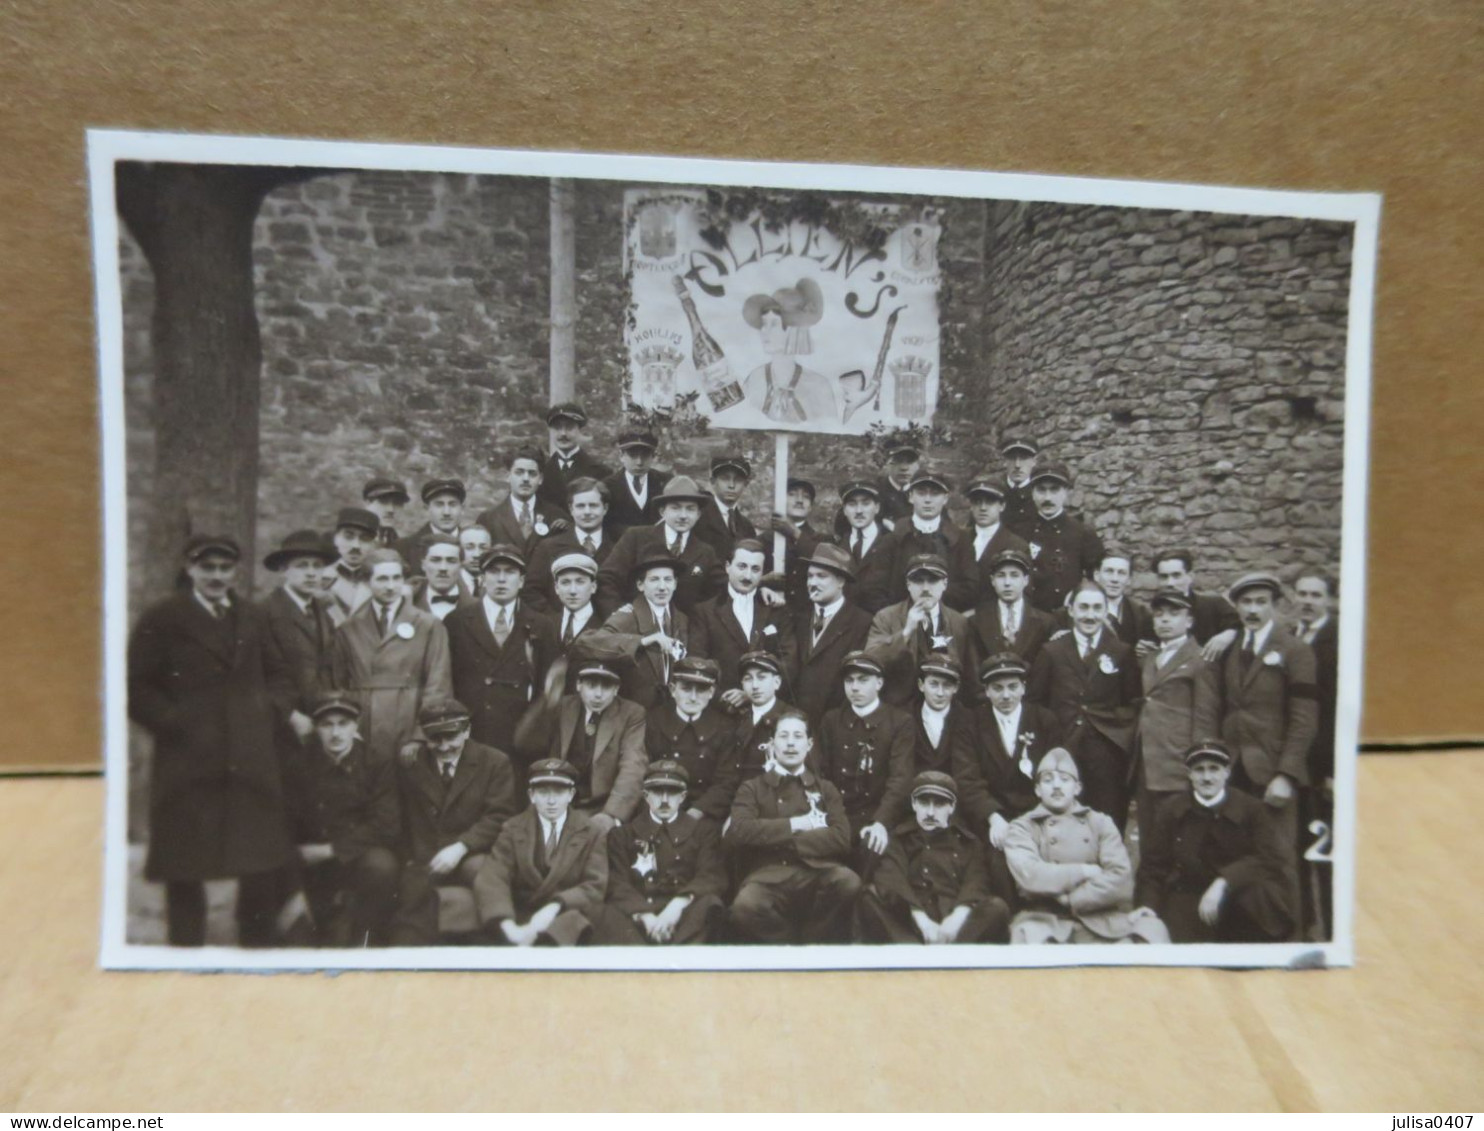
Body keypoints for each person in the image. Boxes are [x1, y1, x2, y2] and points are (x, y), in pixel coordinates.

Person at [127, 535, 294, 946]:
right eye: (208, 568)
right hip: (189, 763)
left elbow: (280, 676)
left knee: (259, 862)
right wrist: (177, 723)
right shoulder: (163, 617)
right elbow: (137, 688)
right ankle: (187, 956)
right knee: (185, 867)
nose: (217, 577)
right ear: (190, 568)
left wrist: (265, 714)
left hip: (250, 763)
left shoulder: (252, 616)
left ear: (236, 570)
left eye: (224, 569)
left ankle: (258, 953)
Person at [1219, 571, 1318, 925]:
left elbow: (1304, 719)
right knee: (1239, 855)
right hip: (1234, 770)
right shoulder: (1231, 648)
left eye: (1261, 602)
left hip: (1272, 773)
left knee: (1278, 857)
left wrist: (1286, 774)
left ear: (1275, 606)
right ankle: (1247, 933)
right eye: (1246, 602)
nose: (1253, 609)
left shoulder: (1294, 650)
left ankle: (1287, 938)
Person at [1002, 749, 1169, 944]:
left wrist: (1074, 900)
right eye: (1048, 780)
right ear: (1038, 789)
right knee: (1029, 941)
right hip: (1045, 920)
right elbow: (1031, 876)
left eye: (1064, 779)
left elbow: (1121, 877)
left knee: (1152, 930)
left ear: (1077, 788)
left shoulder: (1100, 823)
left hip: (1101, 918)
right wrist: (1084, 871)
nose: (1056, 786)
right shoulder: (1022, 827)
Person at [1136, 740, 1296, 943]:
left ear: (1227, 772)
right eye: (1199, 770)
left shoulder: (1252, 809)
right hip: (1189, 895)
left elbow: (1269, 859)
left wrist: (1224, 881)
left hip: (1240, 896)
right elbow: (1153, 866)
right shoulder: (1171, 810)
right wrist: (1147, 905)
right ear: (1189, 774)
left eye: (1214, 769)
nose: (1207, 778)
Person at [390, 699, 519, 945]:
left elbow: (500, 816)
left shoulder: (494, 762)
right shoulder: (413, 764)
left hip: (472, 852)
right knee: (409, 920)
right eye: (435, 738)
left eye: (451, 736)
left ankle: (504, 941)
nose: (444, 746)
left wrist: (461, 847)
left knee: (485, 875)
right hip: (425, 857)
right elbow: (403, 818)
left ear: (467, 731)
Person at [725, 711, 860, 943]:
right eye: (783, 736)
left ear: (809, 744)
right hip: (769, 874)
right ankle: (787, 944)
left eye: (797, 736)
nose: (790, 743)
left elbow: (840, 838)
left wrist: (777, 838)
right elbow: (739, 830)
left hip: (816, 870)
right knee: (744, 908)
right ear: (772, 743)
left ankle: (813, 940)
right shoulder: (752, 788)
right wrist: (796, 825)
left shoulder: (825, 789)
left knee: (848, 882)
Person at [1026, 579, 1141, 831]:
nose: (1090, 615)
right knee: (1062, 820)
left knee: (1107, 820)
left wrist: (1115, 731)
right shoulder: (1052, 651)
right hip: (1062, 748)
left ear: (1104, 611)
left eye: (1097, 608)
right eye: (1084, 608)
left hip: (1107, 754)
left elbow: (1133, 701)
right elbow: (1034, 702)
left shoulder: (1120, 651)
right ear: (1072, 610)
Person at [289, 693, 403, 947]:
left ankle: (366, 938)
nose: (336, 733)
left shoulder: (376, 762)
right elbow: (288, 818)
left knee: (382, 866)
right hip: (311, 857)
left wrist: (332, 850)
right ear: (316, 728)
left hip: (355, 854)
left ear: (356, 725)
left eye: (343, 724)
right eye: (327, 725)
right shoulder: (300, 764)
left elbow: (386, 824)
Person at [328, 548, 453, 766]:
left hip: (408, 724)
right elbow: (338, 684)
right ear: (367, 582)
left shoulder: (428, 625)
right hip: (363, 726)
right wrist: (350, 731)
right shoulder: (349, 628)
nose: (390, 586)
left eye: (397, 578)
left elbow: (438, 685)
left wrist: (419, 735)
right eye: (382, 579)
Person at [857, 771, 1010, 944]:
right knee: (868, 897)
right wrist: (922, 921)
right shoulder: (899, 840)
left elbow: (976, 883)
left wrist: (957, 918)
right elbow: (892, 880)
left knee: (997, 908)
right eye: (923, 803)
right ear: (914, 804)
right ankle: (919, 954)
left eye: (939, 804)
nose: (930, 812)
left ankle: (944, 955)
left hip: (957, 930)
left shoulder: (968, 843)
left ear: (951, 807)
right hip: (912, 926)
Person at [442, 543, 560, 762]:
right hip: (472, 732)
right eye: (494, 572)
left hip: (520, 737)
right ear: (482, 579)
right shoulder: (456, 622)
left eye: (510, 572)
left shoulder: (541, 625)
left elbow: (548, 688)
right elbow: (447, 681)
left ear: (522, 581)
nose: (502, 579)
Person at [591, 761, 728, 946]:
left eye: (671, 792)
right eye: (657, 792)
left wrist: (677, 906)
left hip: (684, 918)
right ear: (646, 796)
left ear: (683, 796)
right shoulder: (622, 835)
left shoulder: (703, 833)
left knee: (711, 904)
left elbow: (710, 876)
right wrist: (646, 917)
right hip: (638, 921)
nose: (664, 800)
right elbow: (617, 883)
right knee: (604, 913)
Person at [474, 759, 609, 946]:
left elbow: (595, 885)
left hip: (566, 916)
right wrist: (508, 926)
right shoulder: (513, 828)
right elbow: (493, 877)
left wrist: (555, 906)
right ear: (531, 795)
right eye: (543, 792)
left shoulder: (592, 831)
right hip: (521, 916)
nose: (551, 801)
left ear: (571, 794)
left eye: (559, 792)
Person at [259, 529, 340, 831]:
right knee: (282, 808)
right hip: (282, 726)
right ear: (284, 570)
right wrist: (290, 715)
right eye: (302, 565)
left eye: (317, 566)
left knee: (314, 804)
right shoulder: (266, 613)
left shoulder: (321, 610)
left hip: (318, 722)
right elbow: (257, 675)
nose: (311, 573)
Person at [813, 651, 915, 869]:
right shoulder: (831, 720)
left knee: (875, 854)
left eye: (863, 680)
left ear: (879, 683)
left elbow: (900, 780)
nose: (855, 687)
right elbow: (819, 772)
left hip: (876, 815)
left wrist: (881, 822)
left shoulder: (899, 722)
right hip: (836, 815)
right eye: (849, 681)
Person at [1135, 590, 1220, 839]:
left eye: (1174, 614)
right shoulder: (1149, 657)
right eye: (1159, 615)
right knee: (1150, 839)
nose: (1165, 620)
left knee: (1181, 837)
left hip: (1178, 763)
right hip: (1147, 763)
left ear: (1189, 621)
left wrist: (1199, 764)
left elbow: (1206, 717)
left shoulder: (1201, 660)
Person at [535, 655, 648, 831]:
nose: (598, 694)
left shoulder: (631, 714)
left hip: (602, 806)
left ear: (616, 689)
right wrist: (547, 701)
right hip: (559, 802)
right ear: (579, 685)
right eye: (591, 685)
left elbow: (633, 766)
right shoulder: (563, 706)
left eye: (606, 686)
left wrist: (611, 815)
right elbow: (524, 744)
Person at [599, 474, 724, 615]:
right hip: (636, 628)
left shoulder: (706, 552)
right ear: (662, 511)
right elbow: (607, 578)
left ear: (698, 514)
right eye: (675, 508)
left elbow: (720, 592)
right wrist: (617, 611)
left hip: (684, 631)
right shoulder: (636, 538)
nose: (683, 515)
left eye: (690, 509)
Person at [1292, 570, 1339, 940]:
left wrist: (1334, 772)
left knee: (1325, 851)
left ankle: (1333, 930)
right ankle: (1305, 923)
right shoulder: (1291, 637)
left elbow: (1340, 711)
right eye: (1302, 593)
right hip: (1295, 766)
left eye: (1315, 595)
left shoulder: (1337, 640)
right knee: (1295, 846)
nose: (1307, 601)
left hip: (1323, 767)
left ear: (1328, 600)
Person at [865, 553, 973, 708]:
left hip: (944, 709)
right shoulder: (886, 617)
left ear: (945, 583)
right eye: (918, 581)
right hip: (899, 710)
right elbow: (871, 662)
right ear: (908, 584)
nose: (925, 588)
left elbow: (968, 678)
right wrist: (906, 632)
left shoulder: (959, 622)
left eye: (933, 581)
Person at [690, 538, 792, 698]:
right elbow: (697, 662)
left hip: (765, 707)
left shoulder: (776, 609)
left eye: (755, 569)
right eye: (742, 566)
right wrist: (723, 698)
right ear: (727, 566)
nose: (748, 575)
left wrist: (753, 694)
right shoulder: (705, 611)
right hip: (721, 707)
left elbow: (788, 662)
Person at [783, 542, 872, 725]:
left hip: (836, 725)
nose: (813, 583)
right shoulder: (796, 617)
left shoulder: (861, 622)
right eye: (810, 576)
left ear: (840, 581)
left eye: (821, 576)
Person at [595, 552, 695, 711]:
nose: (662, 587)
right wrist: (641, 641)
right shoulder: (628, 616)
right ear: (640, 585)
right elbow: (592, 643)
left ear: (675, 583)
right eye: (654, 580)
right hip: (636, 710)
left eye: (668, 579)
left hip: (672, 712)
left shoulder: (682, 619)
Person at [644, 658, 740, 822]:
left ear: (711, 693)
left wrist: (697, 812)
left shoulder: (725, 728)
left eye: (701, 690)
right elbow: (643, 773)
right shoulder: (654, 721)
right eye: (686, 689)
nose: (693, 697)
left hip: (704, 815)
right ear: (673, 690)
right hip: (659, 810)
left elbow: (726, 783)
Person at [740, 277, 835, 424]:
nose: (764, 331)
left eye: (774, 324)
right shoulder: (754, 380)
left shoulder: (819, 386)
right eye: (764, 323)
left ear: (793, 330)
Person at [521, 477, 614, 618]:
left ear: (605, 508)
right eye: (580, 506)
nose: (587, 512)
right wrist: (556, 621)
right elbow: (531, 591)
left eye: (593, 505)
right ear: (571, 509)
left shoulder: (618, 546)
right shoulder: (548, 547)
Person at [1020, 460, 1103, 612]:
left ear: (1066, 492)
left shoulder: (1083, 533)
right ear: (1032, 492)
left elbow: (1096, 580)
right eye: (1041, 490)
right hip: (1030, 618)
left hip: (1068, 617)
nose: (1047, 498)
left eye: (1054, 490)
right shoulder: (1021, 532)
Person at [945, 477, 1031, 612]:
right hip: (956, 616)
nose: (983, 508)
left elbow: (1022, 592)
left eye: (990, 502)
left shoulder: (1016, 545)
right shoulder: (956, 539)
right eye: (977, 502)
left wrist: (980, 613)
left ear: (1002, 506)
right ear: (971, 506)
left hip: (994, 619)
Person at [966, 548, 1057, 668]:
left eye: (1014, 575)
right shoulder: (976, 620)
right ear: (992, 580)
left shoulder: (1046, 623)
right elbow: (973, 667)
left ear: (1025, 580)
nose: (1007, 583)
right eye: (1001, 576)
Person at [476, 447, 571, 561]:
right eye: (519, 472)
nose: (526, 479)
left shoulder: (557, 516)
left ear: (540, 479)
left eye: (532, 474)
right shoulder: (489, 519)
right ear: (508, 476)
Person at [888, 469, 964, 603]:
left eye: (935, 494)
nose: (928, 500)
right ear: (911, 497)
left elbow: (968, 587)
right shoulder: (893, 538)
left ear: (945, 498)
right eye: (921, 493)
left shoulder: (959, 539)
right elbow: (877, 587)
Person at [1151, 549, 1240, 656]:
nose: (1170, 583)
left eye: (1176, 575)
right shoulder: (1154, 612)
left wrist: (1229, 634)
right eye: (1164, 577)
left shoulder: (1213, 605)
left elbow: (1242, 624)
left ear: (1190, 576)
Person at [728, 651, 796, 783]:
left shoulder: (792, 720)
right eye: (748, 679)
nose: (755, 686)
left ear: (777, 682)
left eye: (761, 677)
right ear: (742, 684)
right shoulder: (736, 718)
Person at [837, 479, 901, 614]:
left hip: (880, 626)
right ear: (844, 510)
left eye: (866, 504)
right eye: (852, 504)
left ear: (877, 508)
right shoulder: (838, 546)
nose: (859, 511)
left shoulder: (892, 543)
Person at [908, 653, 976, 776]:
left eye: (947, 685)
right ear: (921, 685)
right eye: (934, 684)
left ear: (956, 688)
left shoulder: (968, 719)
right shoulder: (906, 717)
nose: (940, 693)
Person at [538, 402, 610, 514]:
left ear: (579, 430)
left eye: (569, 427)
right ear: (550, 431)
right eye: (557, 428)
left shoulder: (600, 472)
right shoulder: (541, 472)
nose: (563, 434)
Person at [542, 552, 604, 673]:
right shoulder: (545, 624)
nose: (573, 591)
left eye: (580, 582)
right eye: (565, 582)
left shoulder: (604, 626)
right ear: (556, 588)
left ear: (593, 587)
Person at [602, 429, 669, 539]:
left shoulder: (665, 483)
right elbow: (606, 524)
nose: (639, 462)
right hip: (620, 549)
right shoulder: (607, 486)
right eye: (633, 455)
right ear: (621, 456)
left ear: (653, 456)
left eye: (645, 455)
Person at [692, 454, 758, 562]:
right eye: (725, 478)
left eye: (738, 480)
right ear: (713, 482)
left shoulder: (747, 527)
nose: (731, 485)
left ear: (745, 484)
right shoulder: (698, 517)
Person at [398, 478, 466, 577]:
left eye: (452, 504)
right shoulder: (404, 548)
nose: (446, 512)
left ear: (462, 509)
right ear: (426, 509)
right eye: (439, 505)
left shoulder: (474, 545)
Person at [328, 506, 381, 624]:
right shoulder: (321, 578)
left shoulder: (381, 580)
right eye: (349, 537)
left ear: (373, 544)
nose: (356, 545)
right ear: (336, 539)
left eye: (364, 539)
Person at [407, 535, 476, 621]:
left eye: (451, 561)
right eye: (435, 560)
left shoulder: (478, 609)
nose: (443, 568)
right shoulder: (406, 603)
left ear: (460, 566)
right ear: (423, 565)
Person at [997, 438, 1040, 537]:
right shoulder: (995, 492)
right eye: (1012, 458)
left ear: (1034, 461)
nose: (1017, 465)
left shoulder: (1040, 493)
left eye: (1023, 458)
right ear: (1005, 462)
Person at [362, 477, 410, 550]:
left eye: (397, 503)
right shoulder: (348, 541)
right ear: (367, 503)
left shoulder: (404, 546)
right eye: (383, 502)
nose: (391, 509)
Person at [457, 524, 492, 597]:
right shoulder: (450, 582)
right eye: (469, 548)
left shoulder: (495, 584)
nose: (477, 555)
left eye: (483, 548)